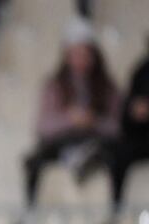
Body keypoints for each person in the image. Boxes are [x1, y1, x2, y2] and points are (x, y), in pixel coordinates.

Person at [24, 18, 121, 206]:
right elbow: (43, 126)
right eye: (75, 53)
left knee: (114, 155)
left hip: (97, 141)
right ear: (67, 55)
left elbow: (116, 128)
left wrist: (93, 121)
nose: (80, 58)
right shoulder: (54, 86)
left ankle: (113, 216)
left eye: (85, 53)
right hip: (62, 142)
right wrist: (70, 119)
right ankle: (30, 213)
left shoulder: (108, 87)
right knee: (34, 160)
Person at [110, 44, 149, 203]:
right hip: (142, 137)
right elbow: (127, 116)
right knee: (118, 154)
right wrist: (134, 112)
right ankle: (116, 211)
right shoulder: (142, 72)